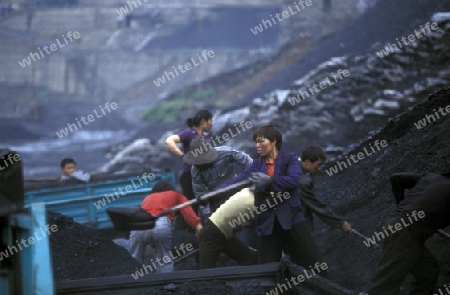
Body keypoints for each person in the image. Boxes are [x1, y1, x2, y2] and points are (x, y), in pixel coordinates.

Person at [218, 124, 326, 272]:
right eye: (256, 142)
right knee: (267, 269)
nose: (257, 146)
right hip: (268, 221)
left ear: (274, 142)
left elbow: (294, 180)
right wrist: (214, 193)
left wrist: (270, 181)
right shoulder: (257, 164)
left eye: (261, 141)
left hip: (292, 219)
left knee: (314, 262)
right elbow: (238, 181)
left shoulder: (290, 159)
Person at [366, 171, 450, 295]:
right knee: (385, 283)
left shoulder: (431, 178)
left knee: (428, 272)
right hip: (405, 234)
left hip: (396, 223)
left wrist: (402, 208)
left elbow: (396, 178)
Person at [183, 138, 255, 247]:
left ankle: (249, 252)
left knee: (243, 226)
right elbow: (201, 196)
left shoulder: (225, 153)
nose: (201, 165)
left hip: (236, 195)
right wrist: (208, 216)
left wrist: (252, 177)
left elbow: (248, 161)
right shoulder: (195, 170)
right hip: (216, 202)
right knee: (219, 231)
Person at [128, 181, 202, 273]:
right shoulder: (176, 195)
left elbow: (147, 224)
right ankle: (166, 283)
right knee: (164, 258)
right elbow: (189, 215)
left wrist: (153, 244)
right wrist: (201, 230)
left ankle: (129, 280)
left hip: (139, 225)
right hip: (161, 223)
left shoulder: (147, 198)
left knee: (133, 258)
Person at [198, 187, 257, 269]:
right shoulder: (258, 204)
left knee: (250, 260)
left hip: (223, 233)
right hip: (212, 233)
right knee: (205, 276)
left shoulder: (248, 191)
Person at [299, 146, 352, 234]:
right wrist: (340, 223)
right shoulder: (301, 181)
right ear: (307, 162)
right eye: (318, 165)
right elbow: (316, 206)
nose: (319, 169)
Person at [165, 110, 213, 202]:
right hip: (190, 177)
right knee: (192, 205)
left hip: (203, 177)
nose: (211, 124)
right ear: (203, 121)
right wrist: (182, 155)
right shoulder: (189, 134)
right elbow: (169, 140)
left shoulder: (206, 138)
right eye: (210, 121)